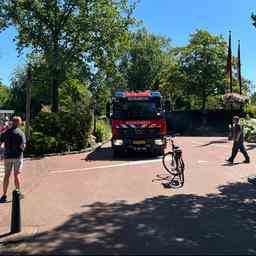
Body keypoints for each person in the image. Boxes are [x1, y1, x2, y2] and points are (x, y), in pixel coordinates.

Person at [0, 116, 26, 203]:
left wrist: (3, 153)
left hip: (7, 157)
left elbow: (1, 143)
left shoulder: (6, 132)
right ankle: (18, 194)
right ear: (18, 123)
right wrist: (21, 150)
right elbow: (23, 146)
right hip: (17, 157)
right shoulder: (20, 133)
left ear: (12, 122)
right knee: (16, 175)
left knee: (6, 176)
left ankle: (4, 195)